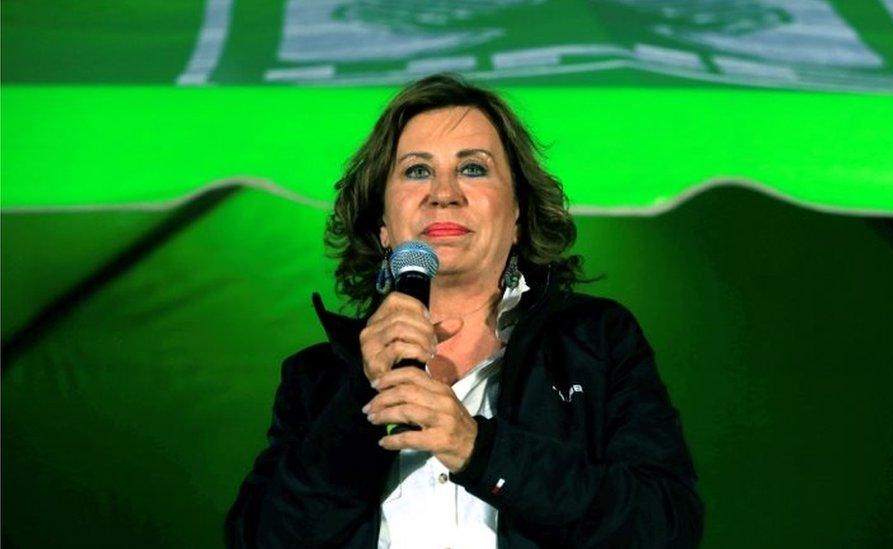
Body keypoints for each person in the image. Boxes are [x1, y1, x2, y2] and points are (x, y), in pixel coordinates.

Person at [225, 73, 703, 548]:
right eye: (416, 170)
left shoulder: (596, 341)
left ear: (518, 214)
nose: (443, 192)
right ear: (383, 226)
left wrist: (477, 448)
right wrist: (358, 398)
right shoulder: (319, 380)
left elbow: (663, 526)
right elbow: (261, 539)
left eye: (473, 168)